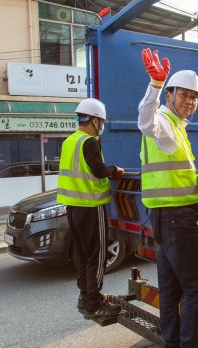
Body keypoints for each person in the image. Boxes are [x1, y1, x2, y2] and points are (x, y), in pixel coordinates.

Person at [137, 48, 198, 348]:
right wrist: (155, 85)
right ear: (170, 95)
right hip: (175, 218)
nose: (190, 101)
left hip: (163, 219)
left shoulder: (178, 127)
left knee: (172, 288)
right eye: (184, 95)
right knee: (195, 288)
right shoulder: (162, 120)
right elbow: (145, 121)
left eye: (194, 97)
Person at [57, 97, 124, 319]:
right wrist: (114, 169)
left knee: (84, 254)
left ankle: (85, 295)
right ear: (94, 120)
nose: (102, 126)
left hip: (73, 207)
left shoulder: (69, 142)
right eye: (101, 122)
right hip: (91, 206)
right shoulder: (89, 142)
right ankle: (94, 303)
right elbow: (98, 170)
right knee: (97, 255)